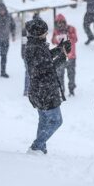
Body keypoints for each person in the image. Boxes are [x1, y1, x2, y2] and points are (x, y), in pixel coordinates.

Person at [24, 17, 71, 154]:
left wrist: (59, 49)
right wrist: (62, 57)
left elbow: (45, 59)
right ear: (39, 33)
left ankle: (40, 148)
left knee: (44, 120)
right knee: (56, 121)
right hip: (44, 92)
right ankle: (37, 146)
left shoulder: (35, 45)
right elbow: (45, 68)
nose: (46, 34)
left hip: (39, 91)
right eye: (44, 32)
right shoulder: (35, 48)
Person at [52, 14, 78, 96]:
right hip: (60, 57)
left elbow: (75, 39)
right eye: (58, 23)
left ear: (64, 22)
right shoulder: (56, 31)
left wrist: (67, 36)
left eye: (61, 22)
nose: (60, 25)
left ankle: (71, 90)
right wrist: (57, 39)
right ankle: (61, 90)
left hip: (71, 56)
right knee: (60, 75)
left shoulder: (71, 29)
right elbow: (53, 41)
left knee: (71, 75)